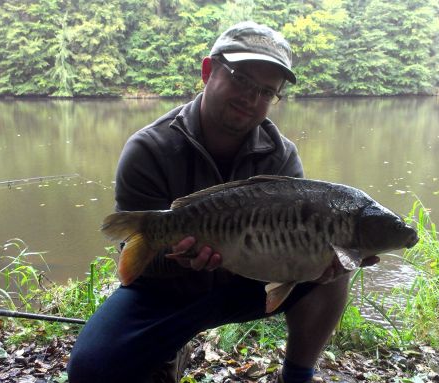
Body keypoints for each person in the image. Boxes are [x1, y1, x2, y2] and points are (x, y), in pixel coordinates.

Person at [67, 21, 378, 383]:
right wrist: (182, 261)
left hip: (248, 283)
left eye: (266, 91)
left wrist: (315, 265)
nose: (251, 98)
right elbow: (138, 267)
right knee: (89, 371)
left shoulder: (280, 156)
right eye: (242, 80)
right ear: (207, 71)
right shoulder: (148, 150)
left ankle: (296, 376)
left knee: (337, 262)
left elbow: (294, 252)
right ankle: (170, 346)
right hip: (168, 293)